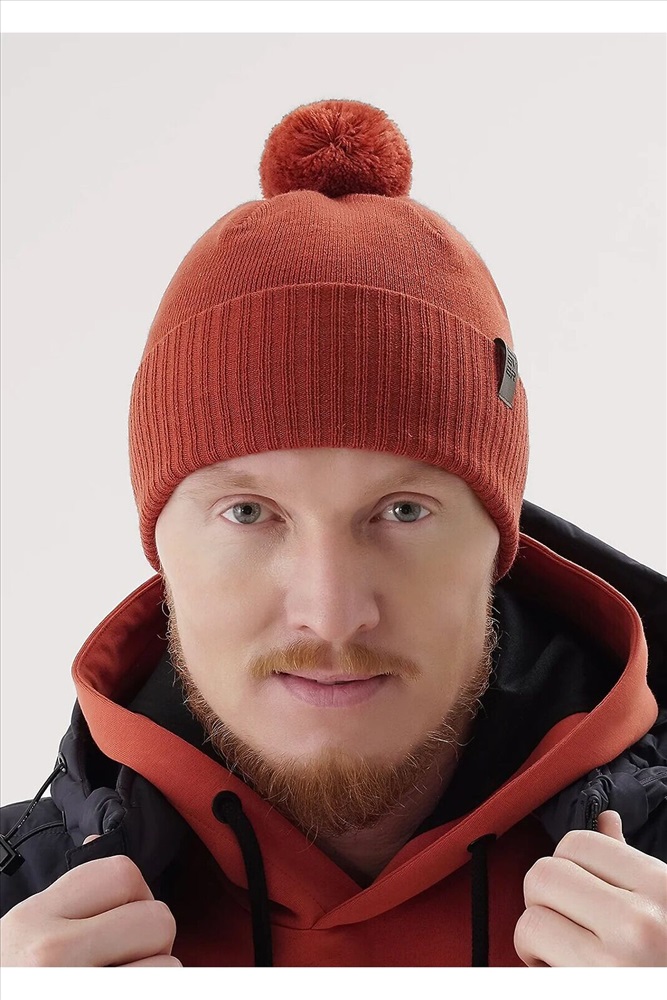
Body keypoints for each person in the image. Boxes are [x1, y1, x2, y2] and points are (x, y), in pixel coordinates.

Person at [1, 98, 665, 969]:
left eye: (402, 511)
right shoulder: (19, 922)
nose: (331, 612)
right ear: (162, 545)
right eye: (248, 512)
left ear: (499, 545)